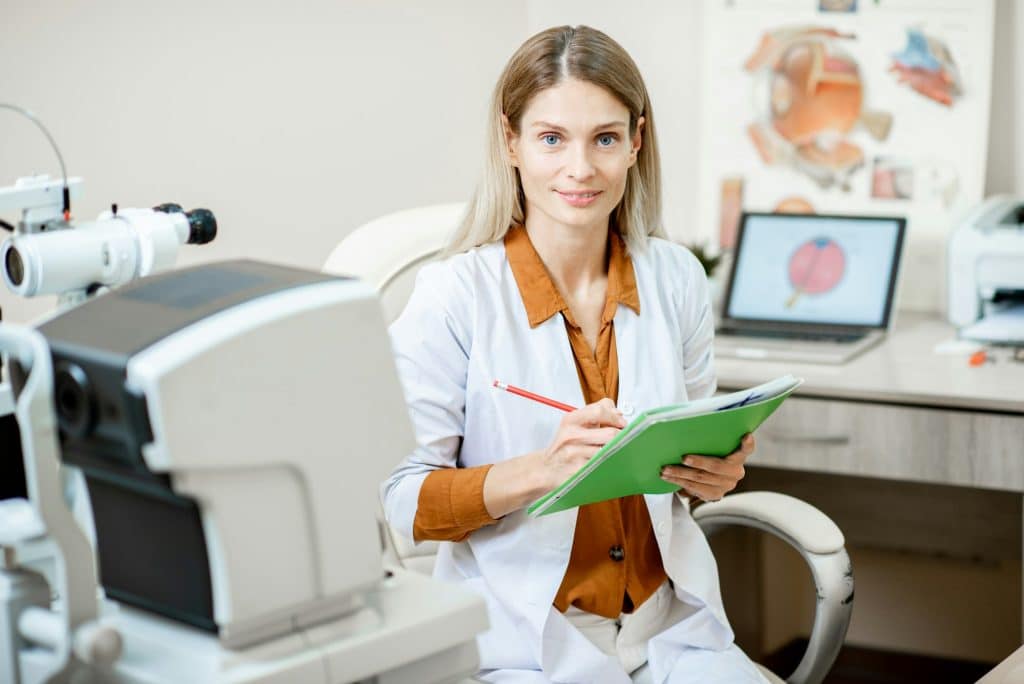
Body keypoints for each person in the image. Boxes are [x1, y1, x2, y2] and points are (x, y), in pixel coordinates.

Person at [382, 25, 765, 684]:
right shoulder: (454, 297)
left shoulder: (675, 278)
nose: (580, 170)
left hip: (667, 628)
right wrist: (540, 470)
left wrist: (713, 472)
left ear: (637, 141)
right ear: (512, 142)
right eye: (552, 138)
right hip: (524, 641)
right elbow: (402, 503)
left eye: (605, 139)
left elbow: (683, 465)